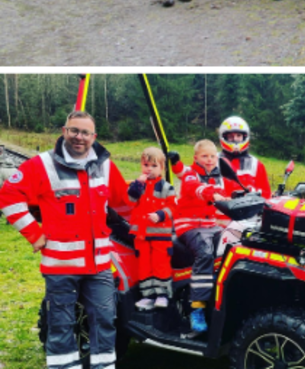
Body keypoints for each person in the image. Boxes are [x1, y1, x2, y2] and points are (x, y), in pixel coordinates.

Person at [0, 111, 130, 369]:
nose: (79, 137)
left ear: (94, 137)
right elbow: (8, 195)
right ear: (64, 131)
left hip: (100, 266)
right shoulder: (42, 165)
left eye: (85, 132)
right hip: (61, 268)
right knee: (61, 326)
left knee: (105, 322)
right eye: (74, 131)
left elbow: (123, 203)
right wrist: (34, 234)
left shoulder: (104, 165)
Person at [173, 139, 240, 333]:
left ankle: (221, 297)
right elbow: (198, 189)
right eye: (205, 156)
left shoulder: (215, 177)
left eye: (212, 156)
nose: (209, 160)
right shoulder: (190, 175)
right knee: (205, 253)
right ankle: (197, 308)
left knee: (233, 244)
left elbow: (223, 195)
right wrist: (215, 195)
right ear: (196, 158)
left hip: (210, 225)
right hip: (189, 224)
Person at [127, 147, 176, 311]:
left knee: (160, 264)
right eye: (146, 165)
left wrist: (161, 214)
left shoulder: (166, 187)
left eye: (154, 166)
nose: (149, 169)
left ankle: (162, 294)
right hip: (141, 235)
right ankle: (148, 296)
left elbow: (173, 208)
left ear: (162, 168)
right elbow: (130, 200)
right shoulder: (138, 186)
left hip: (160, 236)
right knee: (144, 266)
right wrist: (138, 184)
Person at [217, 116, 271, 198]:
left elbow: (266, 195)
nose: (235, 139)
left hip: (248, 208)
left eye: (238, 136)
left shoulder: (255, 164)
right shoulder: (213, 160)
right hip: (219, 208)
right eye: (231, 136)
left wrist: (252, 191)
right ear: (224, 137)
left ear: (244, 137)